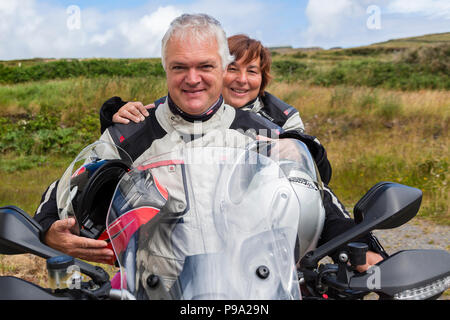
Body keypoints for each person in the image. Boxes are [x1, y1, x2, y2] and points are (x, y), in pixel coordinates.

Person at [34, 14, 383, 275]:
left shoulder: (263, 136)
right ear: (165, 69)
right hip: (155, 290)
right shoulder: (128, 135)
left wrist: (359, 247)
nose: (193, 78)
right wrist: (49, 232)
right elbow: (64, 191)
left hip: (252, 288)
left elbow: (315, 198)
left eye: (205, 66)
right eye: (179, 67)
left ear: (222, 67)